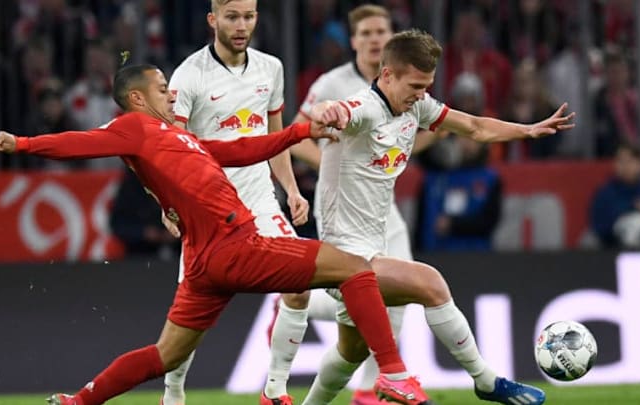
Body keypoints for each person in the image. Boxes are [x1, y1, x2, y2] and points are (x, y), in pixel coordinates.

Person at [0, 64, 435, 405]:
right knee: (354, 269)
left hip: (205, 264)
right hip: (236, 246)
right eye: (162, 89)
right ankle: (392, 373)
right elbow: (82, 143)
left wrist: (301, 131)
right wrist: (25, 144)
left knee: (165, 355)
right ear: (136, 97)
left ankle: (79, 400)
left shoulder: (176, 137)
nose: (171, 95)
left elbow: (239, 150)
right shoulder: (133, 127)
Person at [301, 29, 574, 405]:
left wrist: (527, 129)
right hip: (343, 256)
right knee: (430, 283)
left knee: (351, 353)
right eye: (414, 85)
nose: (420, 93)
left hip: (369, 248)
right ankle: (485, 380)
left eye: (426, 85)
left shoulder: (417, 107)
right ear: (387, 76)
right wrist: (323, 111)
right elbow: (333, 112)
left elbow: (476, 127)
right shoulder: (363, 110)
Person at [163, 1, 311, 404]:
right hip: (207, 210)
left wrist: (292, 190)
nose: (241, 25)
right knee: (188, 321)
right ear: (213, 20)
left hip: (260, 201)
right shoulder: (189, 76)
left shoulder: (271, 68)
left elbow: (273, 138)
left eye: (248, 16)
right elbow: (168, 149)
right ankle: (173, 392)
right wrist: (169, 204)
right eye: (232, 17)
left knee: (300, 288)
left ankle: (275, 390)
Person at [288, 5, 416, 404]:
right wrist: (330, 161)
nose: (375, 39)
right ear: (353, 40)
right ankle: (298, 302)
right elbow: (297, 134)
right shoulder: (332, 83)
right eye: (366, 33)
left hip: (382, 205)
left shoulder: (403, 80)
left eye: (382, 31)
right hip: (342, 207)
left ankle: (370, 388)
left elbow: (424, 127)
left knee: (403, 291)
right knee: (355, 295)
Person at [589, 143, 640, 249]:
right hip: (611, 249)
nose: (625, 166)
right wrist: (630, 208)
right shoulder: (605, 193)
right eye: (620, 161)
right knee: (588, 240)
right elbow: (597, 225)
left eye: (629, 161)